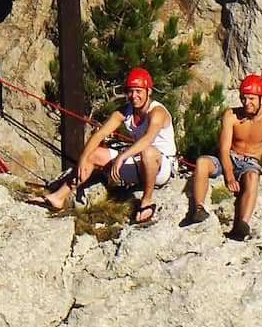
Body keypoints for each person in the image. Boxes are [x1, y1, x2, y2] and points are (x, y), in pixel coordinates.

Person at [38, 67, 178, 225]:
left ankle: (146, 202)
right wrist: (83, 159)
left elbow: (148, 139)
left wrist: (122, 157)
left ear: (148, 91)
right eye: (131, 91)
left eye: (138, 91)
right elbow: (99, 135)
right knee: (94, 155)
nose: (134, 96)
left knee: (148, 152)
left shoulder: (157, 112)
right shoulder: (125, 112)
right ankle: (58, 197)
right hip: (139, 163)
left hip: (162, 167)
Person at [181, 74, 262, 241]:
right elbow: (224, 148)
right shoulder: (231, 115)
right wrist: (229, 177)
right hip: (228, 157)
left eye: (251, 99)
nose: (246, 103)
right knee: (202, 163)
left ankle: (242, 224)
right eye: (243, 98)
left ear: (261, 98)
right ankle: (198, 209)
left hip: (250, 162)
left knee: (252, 177)